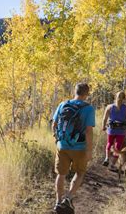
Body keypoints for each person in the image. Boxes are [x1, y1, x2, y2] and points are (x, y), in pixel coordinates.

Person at [52, 83, 95, 214]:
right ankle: (68, 198)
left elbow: (54, 124)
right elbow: (88, 131)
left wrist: (58, 139)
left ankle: (58, 202)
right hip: (79, 147)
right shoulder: (88, 109)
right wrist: (89, 150)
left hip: (62, 145)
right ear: (87, 94)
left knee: (61, 174)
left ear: (74, 91)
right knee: (80, 173)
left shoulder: (63, 104)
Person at [101, 91, 126, 171]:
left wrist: (103, 127)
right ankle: (112, 164)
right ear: (124, 98)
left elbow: (104, 118)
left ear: (115, 97)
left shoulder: (109, 107)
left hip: (111, 129)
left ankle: (107, 158)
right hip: (121, 130)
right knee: (118, 146)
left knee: (109, 143)